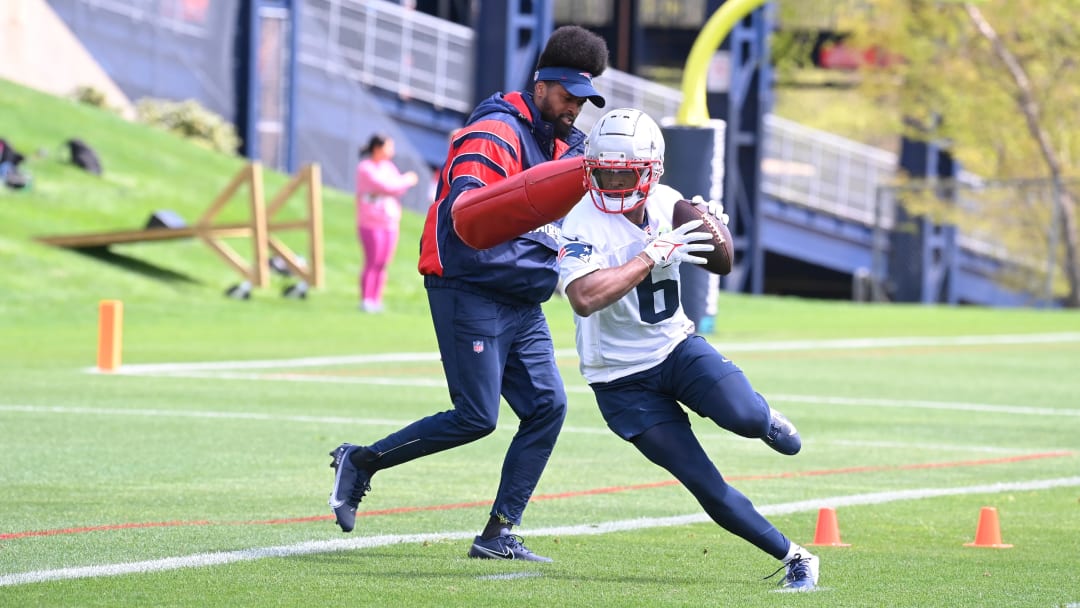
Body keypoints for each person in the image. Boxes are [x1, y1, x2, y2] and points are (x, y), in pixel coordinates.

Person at [327, 25, 610, 562]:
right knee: (476, 416)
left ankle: (499, 532)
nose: (575, 107)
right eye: (568, 95)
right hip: (471, 290)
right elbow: (469, 219)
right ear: (541, 84)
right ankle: (360, 461)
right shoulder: (496, 134)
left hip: (522, 298)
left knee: (548, 406)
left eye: (584, 98)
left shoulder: (565, 143)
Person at [557, 108, 820, 590]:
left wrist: (713, 228)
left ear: (653, 170)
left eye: (625, 172)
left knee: (742, 417)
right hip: (618, 380)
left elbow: (722, 262)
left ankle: (763, 416)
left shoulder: (669, 203)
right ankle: (796, 556)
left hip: (675, 348)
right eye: (604, 172)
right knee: (703, 481)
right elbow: (585, 297)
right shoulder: (580, 221)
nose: (613, 183)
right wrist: (651, 253)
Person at [354, 134, 419, 313]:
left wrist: (398, 184)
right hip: (370, 222)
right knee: (372, 260)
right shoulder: (365, 168)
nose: (391, 151)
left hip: (389, 221)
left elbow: (396, 188)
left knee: (383, 262)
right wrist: (406, 179)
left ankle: (376, 298)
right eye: (388, 147)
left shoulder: (388, 167)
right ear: (377, 148)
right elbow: (387, 186)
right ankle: (366, 299)